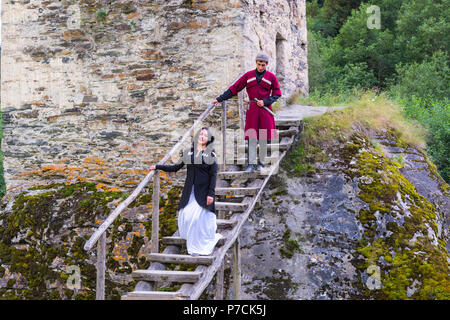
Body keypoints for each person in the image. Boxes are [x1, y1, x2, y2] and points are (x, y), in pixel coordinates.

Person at [149, 127, 223, 256]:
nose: (202, 137)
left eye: (205, 135)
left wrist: (211, 193)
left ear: (208, 139)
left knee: (196, 218)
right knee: (186, 215)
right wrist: (158, 166)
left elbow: (213, 175)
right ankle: (193, 239)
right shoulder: (188, 153)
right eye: (201, 134)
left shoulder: (211, 155)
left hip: (204, 192)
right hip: (190, 192)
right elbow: (175, 167)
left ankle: (197, 247)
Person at [212, 52, 282, 172]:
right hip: (252, 110)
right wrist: (219, 99)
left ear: (267, 64)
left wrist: (265, 102)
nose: (261, 67)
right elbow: (234, 88)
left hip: (265, 111)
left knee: (264, 137)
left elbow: (277, 94)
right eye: (259, 64)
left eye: (263, 65)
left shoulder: (271, 77)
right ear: (256, 63)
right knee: (251, 137)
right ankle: (250, 165)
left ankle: (260, 164)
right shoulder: (248, 76)